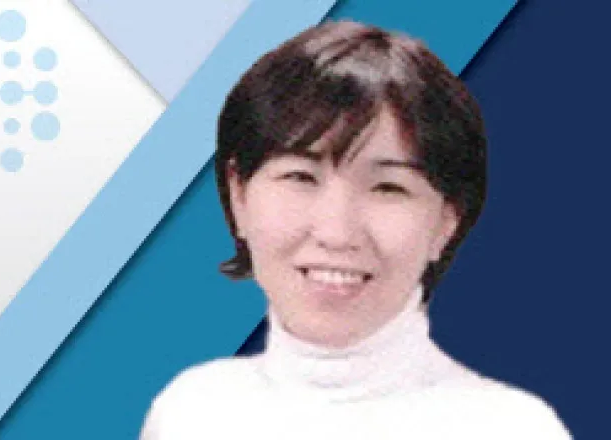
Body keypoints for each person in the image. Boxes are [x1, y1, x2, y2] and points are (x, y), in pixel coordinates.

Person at [140, 21, 572, 439]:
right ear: (239, 196)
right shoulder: (192, 412)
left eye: (388, 187)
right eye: (300, 177)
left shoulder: (510, 429)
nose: (336, 232)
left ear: (447, 220)